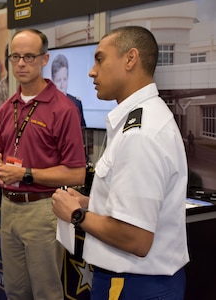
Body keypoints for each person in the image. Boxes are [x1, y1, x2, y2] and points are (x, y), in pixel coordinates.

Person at [52, 26, 189, 299]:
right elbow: (132, 210)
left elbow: (136, 238)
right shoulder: (136, 121)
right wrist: (90, 204)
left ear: (130, 59)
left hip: (134, 285)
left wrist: (76, 215)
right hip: (133, 281)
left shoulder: (140, 133)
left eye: (100, 59)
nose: (92, 71)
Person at [0, 29, 86, 300]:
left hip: (43, 209)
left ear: (44, 59)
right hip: (9, 206)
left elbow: (76, 172)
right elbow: (0, 155)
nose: (21, 63)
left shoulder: (63, 109)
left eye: (29, 56)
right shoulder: (7, 108)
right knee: (15, 291)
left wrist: (25, 174)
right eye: (15, 56)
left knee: (46, 292)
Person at [51, 53, 86, 127]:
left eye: (65, 79)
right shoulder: (44, 105)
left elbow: (83, 131)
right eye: (58, 80)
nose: (62, 85)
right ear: (52, 81)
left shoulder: (76, 103)